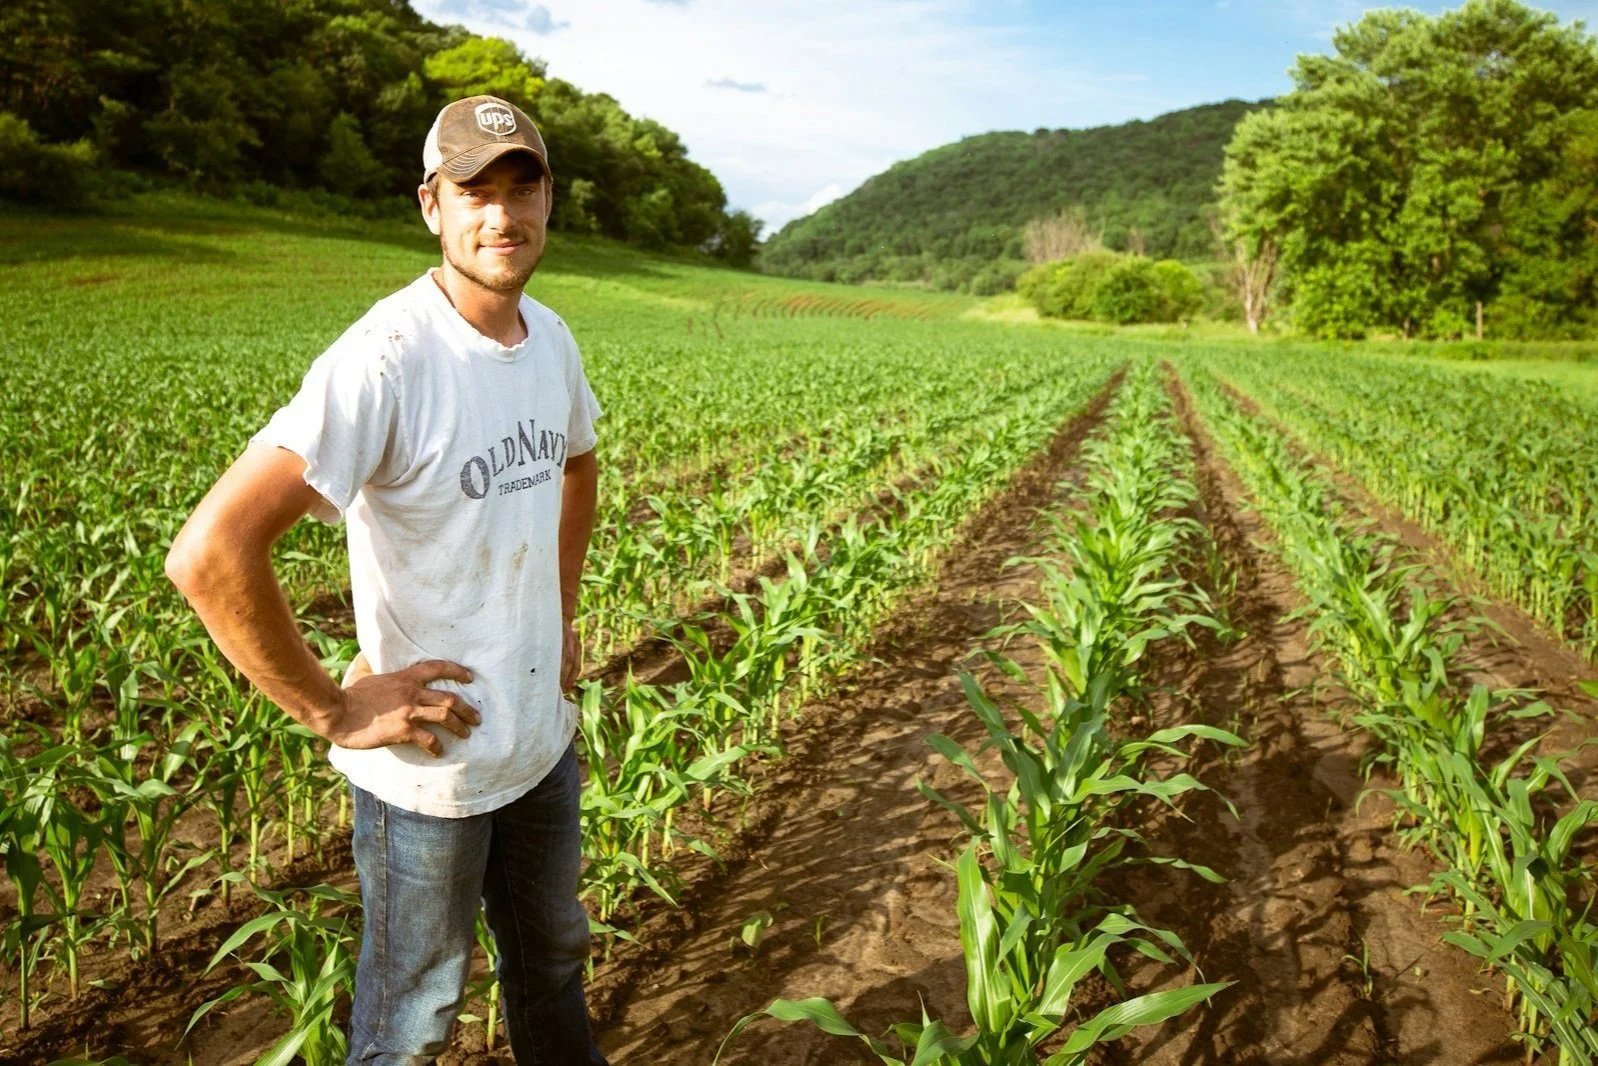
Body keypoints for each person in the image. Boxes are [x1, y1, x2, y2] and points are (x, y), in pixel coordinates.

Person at [165, 94, 609, 1065]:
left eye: (520, 187)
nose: (501, 214)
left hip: (538, 745)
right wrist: (333, 710)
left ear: (548, 200)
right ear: (430, 206)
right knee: (413, 1024)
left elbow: (577, 462)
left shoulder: (554, 342)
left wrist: (559, 614)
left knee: (552, 969)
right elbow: (208, 554)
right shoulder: (387, 360)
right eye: (473, 191)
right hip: (429, 774)